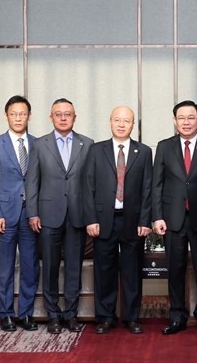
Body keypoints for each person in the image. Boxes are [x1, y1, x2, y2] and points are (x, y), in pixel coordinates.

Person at [153, 100, 197, 336]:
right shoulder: (164, 147)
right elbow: (157, 185)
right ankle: (177, 317)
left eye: (191, 117)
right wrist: (157, 217)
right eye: (181, 118)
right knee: (175, 270)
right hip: (173, 218)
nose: (186, 122)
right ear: (175, 121)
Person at [25, 98, 93, 334]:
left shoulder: (87, 144)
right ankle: (53, 315)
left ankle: (71, 315)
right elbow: (31, 182)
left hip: (77, 215)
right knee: (51, 267)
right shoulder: (40, 145)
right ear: (51, 117)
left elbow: (90, 183)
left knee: (74, 267)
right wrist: (32, 213)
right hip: (47, 215)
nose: (63, 117)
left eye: (68, 114)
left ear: (75, 117)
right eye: (58, 114)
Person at [83, 106, 153, 334]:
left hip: (132, 220)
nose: (122, 124)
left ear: (134, 124)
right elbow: (88, 187)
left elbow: (147, 188)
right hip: (103, 220)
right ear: (110, 122)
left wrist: (145, 220)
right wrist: (91, 219)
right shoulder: (96, 150)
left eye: (127, 121)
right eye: (117, 120)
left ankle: (132, 317)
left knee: (132, 270)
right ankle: (105, 316)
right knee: (104, 269)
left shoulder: (143, 152)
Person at [0, 95, 39, 332]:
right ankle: (6, 314)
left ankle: (25, 314)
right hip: (5, 216)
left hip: (32, 216)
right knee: (5, 268)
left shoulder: (39, 143)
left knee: (29, 267)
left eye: (22, 113)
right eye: (13, 114)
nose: (18, 118)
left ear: (29, 116)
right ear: (6, 116)